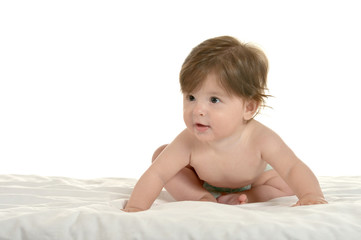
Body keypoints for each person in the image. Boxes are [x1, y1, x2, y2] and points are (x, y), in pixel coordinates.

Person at [123, 36, 327, 212]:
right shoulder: (188, 140)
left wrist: (310, 194)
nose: (197, 110)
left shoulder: (261, 138)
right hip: (204, 181)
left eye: (214, 100)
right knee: (161, 156)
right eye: (191, 97)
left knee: (285, 182)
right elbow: (157, 174)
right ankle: (201, 197)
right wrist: (136, 207)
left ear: (248, 108)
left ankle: (251, 196)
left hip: (254, 180)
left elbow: (292, 167)